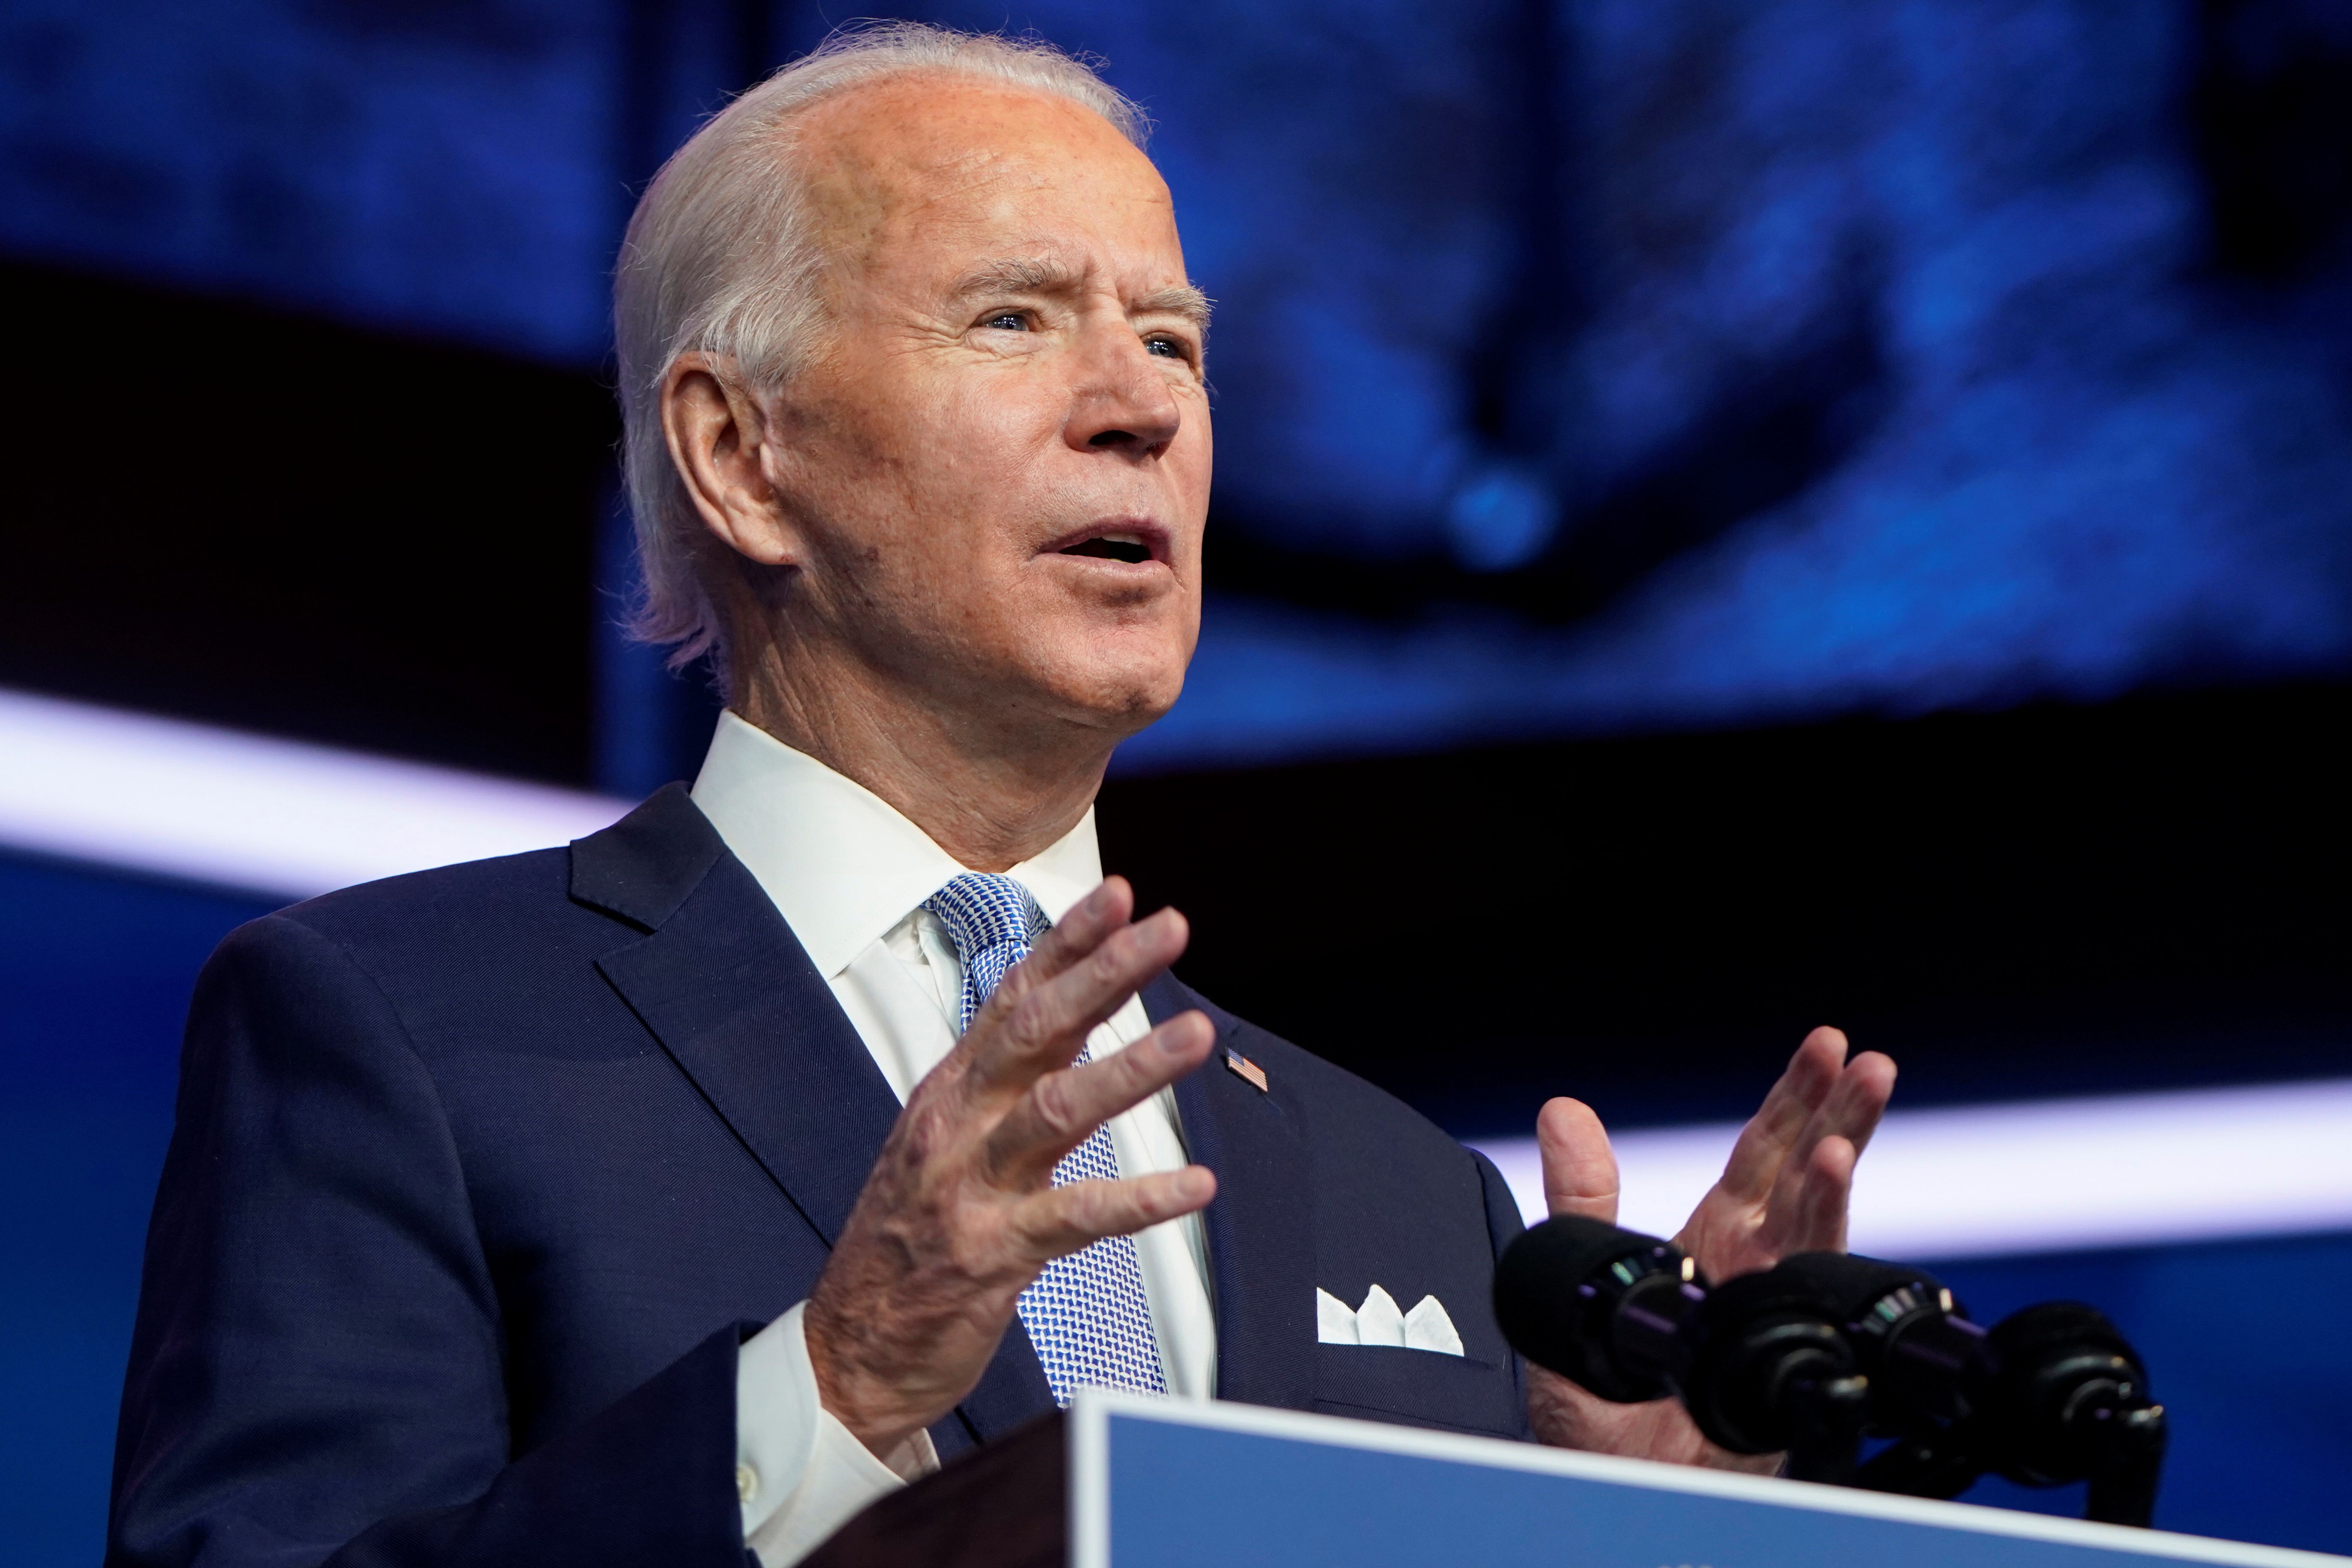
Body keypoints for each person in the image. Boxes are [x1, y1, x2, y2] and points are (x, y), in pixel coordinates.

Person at [107, 23, 1895, 1568]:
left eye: (1175, 341)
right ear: (741, 454)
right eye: (1013, 317)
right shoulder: (398, 1031)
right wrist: (830, 1389)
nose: (1137, 408)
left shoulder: (1401, 1191)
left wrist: (1642, 1529)